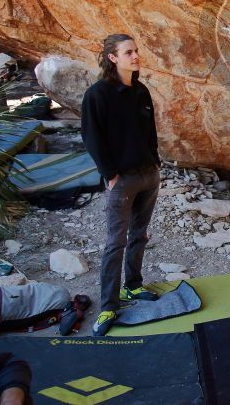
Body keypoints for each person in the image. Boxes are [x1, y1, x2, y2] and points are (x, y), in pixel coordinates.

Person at [81, 34, 161, 336]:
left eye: (137, 51)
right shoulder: (97, 94)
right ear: (112, 58)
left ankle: (134, 286)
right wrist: (110, 175)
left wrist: (155, 162)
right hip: (122, 179)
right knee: (116, 242)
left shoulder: (141, 91)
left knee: (139, 235)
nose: (136, 56)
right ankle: (109, 307)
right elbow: (92, 137)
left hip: (148, 174)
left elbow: (149, 131)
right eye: (128, 52)